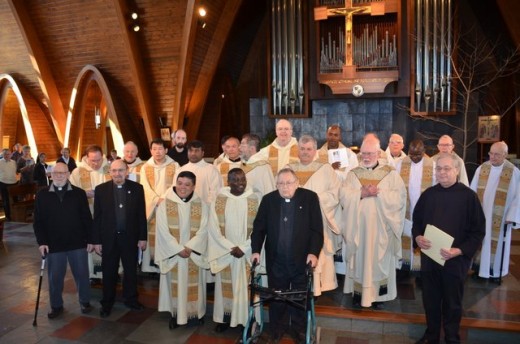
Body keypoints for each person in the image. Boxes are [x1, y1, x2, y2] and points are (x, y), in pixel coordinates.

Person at [413, 153, 485, 344]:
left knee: (453, 304)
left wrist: (459, 251)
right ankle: (432, 335)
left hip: (455, 261)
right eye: (439, 168)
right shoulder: (428, 194)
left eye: (447, 168)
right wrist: (418, 237)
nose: (442, 173)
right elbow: (417, 222)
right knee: (431, 302)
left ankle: (452, 337)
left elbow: (478, 231)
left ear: (457, 170)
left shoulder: (469, 197)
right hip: (430, 260)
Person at [251, 168, 323, 343]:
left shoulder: (310, 198)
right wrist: (255, 250)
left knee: (300, 297)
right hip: (277, 259)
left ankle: (299, 329)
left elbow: (317, 230)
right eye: (281, 183)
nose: (285, 187)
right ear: (276, 185)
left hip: (301, 259)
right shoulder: (269, 200)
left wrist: (313, 253)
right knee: (277, 296)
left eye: (289, 182)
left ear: (297, 183)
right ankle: (277, 328)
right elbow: (259, 228)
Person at [340, 137, 406, 309]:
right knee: (359, 259)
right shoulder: (353, 173)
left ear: (378, 153)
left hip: (381, 229)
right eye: (363, 153)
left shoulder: (390, 173)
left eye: (370, 153)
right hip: (358, 229)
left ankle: (377, 296)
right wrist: (360, 193)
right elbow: (344, 195)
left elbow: (399, 198)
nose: (366, 157)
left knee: (378, 262)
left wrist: (379, 192)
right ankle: (358, 294)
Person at [33, 162, 93, 319]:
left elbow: (87, 218)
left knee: (82, 275)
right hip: (53, 244)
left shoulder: (79, 193)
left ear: (68, 174)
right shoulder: (42, 194)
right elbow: (38, 221)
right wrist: (42, 242)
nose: (59, 175)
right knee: (55, 277)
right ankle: (56, 306)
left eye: (63, 172)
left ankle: (85, 301)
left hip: (77, 242)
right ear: (51, 175)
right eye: (56, 173)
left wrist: (91, 239)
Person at [92, 160, 148, 317]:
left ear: (127, 171)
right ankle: (107, 302)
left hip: (129, 238)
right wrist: (96, 240)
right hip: (109, 239)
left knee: (130, 271)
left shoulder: (137, 188)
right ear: (109, 172)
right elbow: (97, 217)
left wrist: (142, 237)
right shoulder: (101, 190)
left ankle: (131, 299)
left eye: (121, 170)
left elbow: (140, 215)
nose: (117, 173)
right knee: (109, 271)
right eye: (114, 170)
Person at [154, 171, 210, 328]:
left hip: (193, 254)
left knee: (195, 286)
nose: (182, 187)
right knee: (176, 286)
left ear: (193, 187)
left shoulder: (201, 205)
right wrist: (178, 249)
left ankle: (195, 314)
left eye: (187, 184)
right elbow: (162, 231)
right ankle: (176, 315)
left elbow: (205, 229)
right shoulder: (165, 204)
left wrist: (190, 247)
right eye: (179, 183)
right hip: (174, 255)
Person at [288, 135, 341, 296]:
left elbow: (335, 193)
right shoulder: (289, 169)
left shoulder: (325, 169)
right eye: (302, 149)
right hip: (293, 222)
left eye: (309, 149)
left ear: (315, 150)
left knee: (316, 251)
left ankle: (316, 288)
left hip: (316, 220)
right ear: (297, 150)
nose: (305, 152)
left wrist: (315, 198)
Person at [208, 168, 260, 331]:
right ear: (228, 181)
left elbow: (259, 228)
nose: (240, 183)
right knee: (225, 288)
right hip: (226, 252)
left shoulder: (254, 198)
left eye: (242, 179)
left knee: (248, 287)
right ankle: (225, 318)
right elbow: (213, 227)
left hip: (246, 252)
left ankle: (248, 319)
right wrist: (230, 247)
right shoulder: (219, 199)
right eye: (235, 180)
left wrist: (244, 247)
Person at [469, 141, 520, 280]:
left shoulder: (513, 172)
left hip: (501, 218)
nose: (492, 157)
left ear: (505, 155)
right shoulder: (482, 169)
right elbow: (472, 191)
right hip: (482, 214)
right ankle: (478, 269)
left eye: (496, 154)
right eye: (490, 153)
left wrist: (512, 216)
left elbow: (518, 197)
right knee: (480, 241)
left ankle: (495, 272)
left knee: (496, 245)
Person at [69, 145, 111, 279]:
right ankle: (91, 274)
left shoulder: (110, 169)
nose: (96, 163)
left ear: (102, 157)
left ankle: (109, 272)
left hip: (106, 216)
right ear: (87, 158)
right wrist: (83, 194)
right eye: (92, 160)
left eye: (98, 160)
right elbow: (70, 194)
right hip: (86, 215)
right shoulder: (77, 172)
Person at [140, 138, 180, 273]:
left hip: (168, 205)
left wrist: (164, 198)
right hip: (151, 207)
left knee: (166, 235)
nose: (157, 152)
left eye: (160, 149)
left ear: (166, 150)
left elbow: (176, 185)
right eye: (154, 149)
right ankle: (150, 267)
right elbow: (144, 187)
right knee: (152, 234)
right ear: (151, 151)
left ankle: (165, 265)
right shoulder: (145, 167)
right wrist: (156, 199)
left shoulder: (174, 166)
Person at [396, 139, 436, 270]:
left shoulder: (432, 165)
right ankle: (404, 267)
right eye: (411, 154)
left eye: (418, 154)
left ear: (424, 152)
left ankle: (421, 270)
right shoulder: (400, 164)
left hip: (424, 209)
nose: (414, 157)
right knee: (405, 235)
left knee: (423, 236)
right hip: (405, 209)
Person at [239, 133, 276, 198]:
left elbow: (269, 191)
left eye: (243, 145)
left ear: (252, 149)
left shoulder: (263, 166)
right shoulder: (243, 164)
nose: (239, 148)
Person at [0, 149, 18, 221]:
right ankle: (8, 216)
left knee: (15, 200)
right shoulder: (0, 162)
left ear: (11, 155)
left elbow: (15, 171)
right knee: (6, 201)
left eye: (8, 154)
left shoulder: (14, 162)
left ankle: (15, 214)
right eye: (5, 154)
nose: (7, 155)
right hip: (3, 183)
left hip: (14, 183)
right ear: (2, 155)